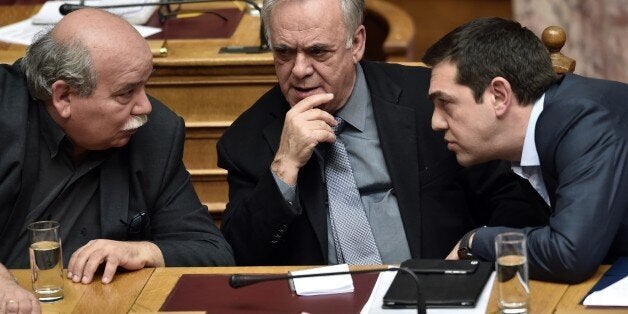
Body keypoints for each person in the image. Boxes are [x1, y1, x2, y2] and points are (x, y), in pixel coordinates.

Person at [217, 0, 549, 266]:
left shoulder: (429, 103)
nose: (300, 70)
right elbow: (243, 256)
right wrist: (285, 166)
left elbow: (516, 201)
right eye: (284, 53)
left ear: (357, 43)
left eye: (318, 52)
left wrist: (475, 256)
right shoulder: (247, 139)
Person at [0, 8, 234, 311]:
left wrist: (145, 251)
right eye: (127, 92)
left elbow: (213, 252)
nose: (145, 106)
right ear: (63, 97)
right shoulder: (5, 109)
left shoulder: (157, 133)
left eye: (145, 85)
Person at [423, 17, 628, 283]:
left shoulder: (584, 120)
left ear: (498, 96)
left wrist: (475, 241)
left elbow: (570, 255)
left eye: (445, 103)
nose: (435, 123)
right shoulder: (518, 143)